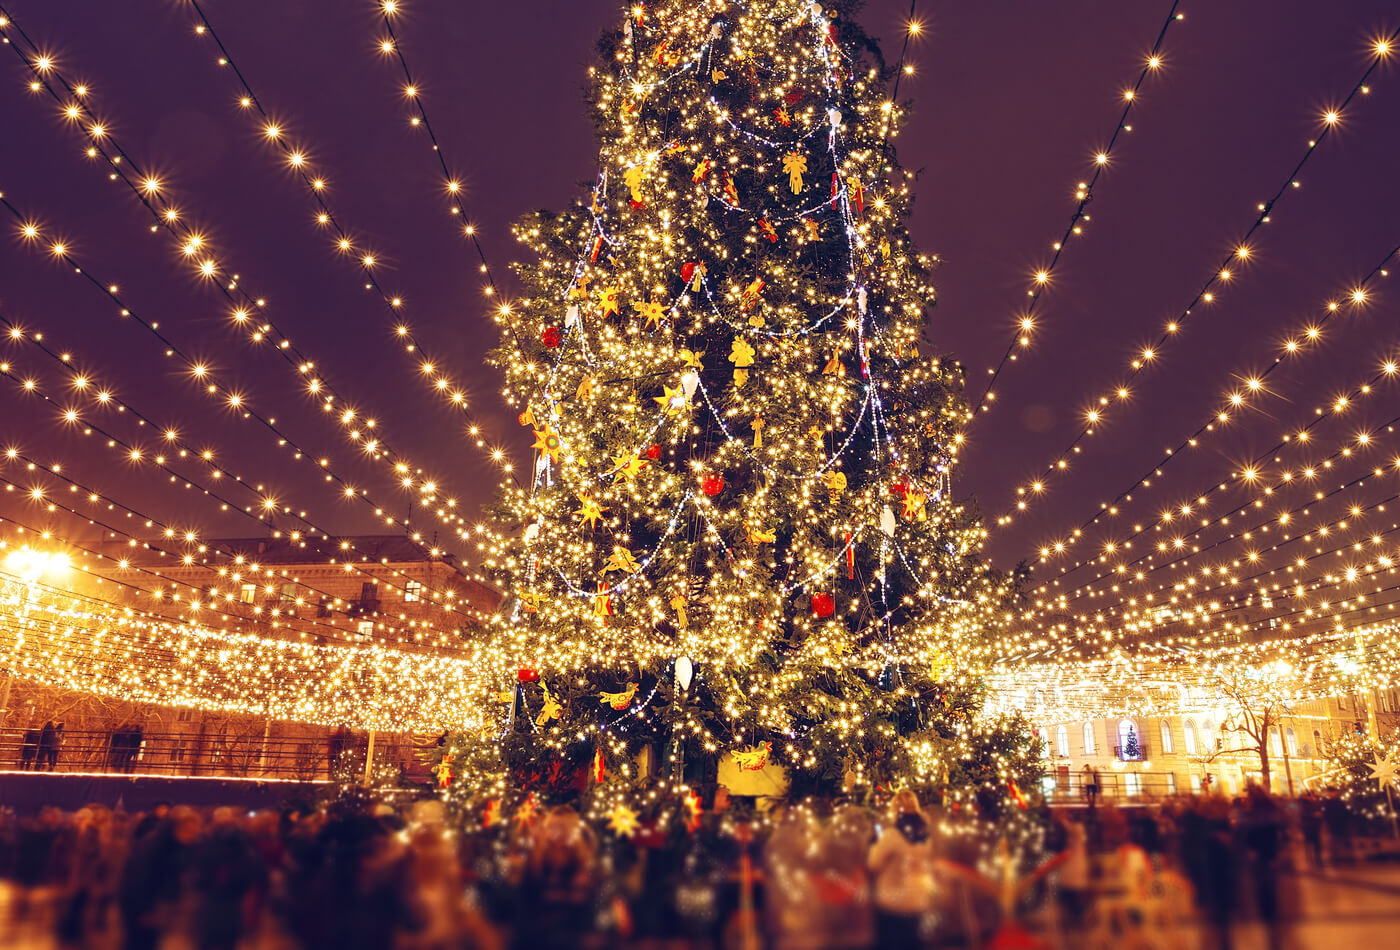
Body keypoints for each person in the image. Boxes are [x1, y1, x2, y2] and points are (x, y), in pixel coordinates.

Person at [867, 789, 937, 947]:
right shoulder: (929, 834)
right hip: (922, 900)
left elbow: (873, 864)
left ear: (895, 809)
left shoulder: (892, 835)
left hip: (894, 903)